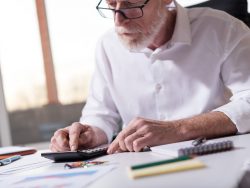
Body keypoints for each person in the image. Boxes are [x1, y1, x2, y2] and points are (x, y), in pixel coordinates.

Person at [50, 0, 250, 154]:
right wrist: (88, 134)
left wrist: (178, 129)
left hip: (215, 158)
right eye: (112, 4)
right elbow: (101, 115)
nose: (118, 20)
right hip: (140, 169)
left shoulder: (224, 29)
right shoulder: (107, 46)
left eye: (131, 4)